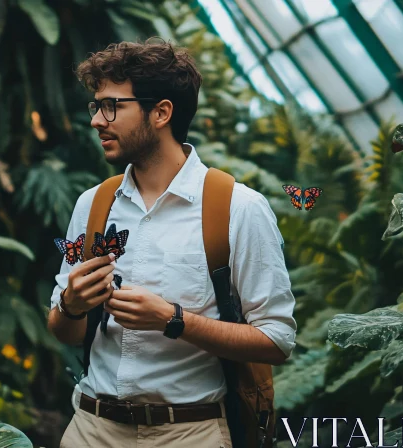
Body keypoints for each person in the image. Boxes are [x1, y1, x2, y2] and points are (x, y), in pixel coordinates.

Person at [47, 38, 297, 448]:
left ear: (161, 112)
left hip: (190, 433)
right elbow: (65, 331)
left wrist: (173, 319)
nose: (96, 120)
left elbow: (276, 340)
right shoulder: (92, 205)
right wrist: (71, 305)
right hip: (91, 428)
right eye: (96, 106)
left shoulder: (239, 208)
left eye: (112, 106)